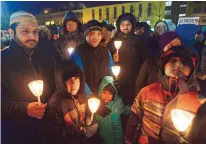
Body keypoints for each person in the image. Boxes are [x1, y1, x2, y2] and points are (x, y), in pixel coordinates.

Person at [1, 11, 56, 144]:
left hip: (48, 130)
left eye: (35, 31)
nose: (32, 36)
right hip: (17, 133)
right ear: (12, 32)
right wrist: (24, 109)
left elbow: (57, 86)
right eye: (25, 31)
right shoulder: (3, 60)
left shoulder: (46, 57)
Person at [125, 46, 197, 144]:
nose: (178, 64)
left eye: (184, 62)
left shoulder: (196, 100)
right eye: (173, 60)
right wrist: (129, 141)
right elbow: (134, 121)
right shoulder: (148, 91)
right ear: (163, 65)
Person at [40, 61, 98, 144]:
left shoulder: (82, 96)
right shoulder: (55, 104)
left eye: (75, 78)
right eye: (68, 79)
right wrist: (78, 132)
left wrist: (92, 122)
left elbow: (88, 115)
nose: (73, 83)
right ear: (61, 82)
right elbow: (54, 135)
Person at [108, 13, 148, 105]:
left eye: (128, 24)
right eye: (123, 24)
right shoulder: (113, 41)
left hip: (134, 77)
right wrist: (113, 58)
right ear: (119, 26)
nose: (125, 27)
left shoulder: (138, 41)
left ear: (132, 25)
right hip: (118, 77)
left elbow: (143, 59)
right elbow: (108, 59)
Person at [70, 20, 114, 95]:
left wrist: (108, 90)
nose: (95, 37)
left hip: (104, 94)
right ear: (86, 35)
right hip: (87, 97)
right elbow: (79, 77)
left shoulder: (106, 51)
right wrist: (90, 95)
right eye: (92, 33)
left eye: (99, 34)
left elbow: (110, 71)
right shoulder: (77, 53)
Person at [135, 31, 181, 95]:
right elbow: (139, 84)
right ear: (163, 46)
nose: (175, 48)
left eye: (178, 45)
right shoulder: (151, 62)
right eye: (170, 45)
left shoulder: (183, 65)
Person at [95, 76, 130, 144]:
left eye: (110, 93)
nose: (106, 96)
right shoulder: (95, 105)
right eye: (104, 92)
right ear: (100, 91)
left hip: (115, 140)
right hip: (101, 139)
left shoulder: (117, 104)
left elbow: (125, 110)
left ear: (114, 94)